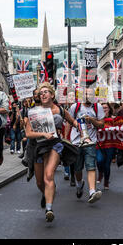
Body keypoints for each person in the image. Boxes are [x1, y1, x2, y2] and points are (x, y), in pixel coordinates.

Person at [25, 82, 78, 222]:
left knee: (48, 176)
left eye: (45, 92)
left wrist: (84, 129)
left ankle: (49, 209)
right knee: (39, 182)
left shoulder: (60, 110)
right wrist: (43, 134)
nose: (42, 94)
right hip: (38, 146)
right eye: (41, 93)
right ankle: (46, 194)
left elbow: (73, 122)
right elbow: (28, 133)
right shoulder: (34, 111)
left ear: (52, 95)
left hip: (54, 145)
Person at [69, 87, 105, 204]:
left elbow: (101, 125)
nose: (88, 96)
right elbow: (69, 122)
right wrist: (66, 139)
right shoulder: (75, 107)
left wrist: (91, 120)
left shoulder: (97, 107)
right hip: (76, 142)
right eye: (86, 94)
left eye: (90, 94)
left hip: (90, 141)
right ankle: (79, 185)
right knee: (77, 168)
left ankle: (92, 191)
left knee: (91, 166)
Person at [95, 103, 116, 190]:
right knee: (99, 161)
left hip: (110, 144)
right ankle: (100, 173)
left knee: (107, 165)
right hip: (99, 144)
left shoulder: (114, 119)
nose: (104, 109)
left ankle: (106, 181)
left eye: (106, 107)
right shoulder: (97, 119)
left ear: (109, 109)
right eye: (102, 108)